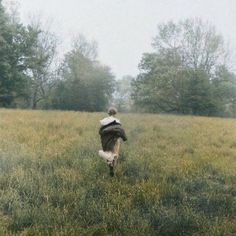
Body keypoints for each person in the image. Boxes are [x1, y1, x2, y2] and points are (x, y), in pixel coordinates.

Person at [98, 107, 127, 176]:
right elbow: (120, 131)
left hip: (106, 141)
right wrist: (124, 138)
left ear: (108, 113)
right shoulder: (117, 121)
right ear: (115, 113)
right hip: (115, 140)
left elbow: (100, 132)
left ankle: (110, 168)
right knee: (115, 155)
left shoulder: (104, 121)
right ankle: (113, 168)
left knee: (108, 154)